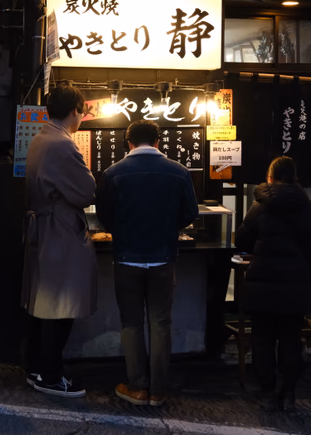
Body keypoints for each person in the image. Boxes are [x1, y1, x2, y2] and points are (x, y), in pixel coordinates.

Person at [95, 119, 198, 407]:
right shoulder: (179, 172)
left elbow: (104, 215)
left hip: (127, 258)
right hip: (164, 258)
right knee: (161, 323)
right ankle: (159, 390)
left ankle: (138, 387)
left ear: (128, 143)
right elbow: (190, 213)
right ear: (157, 142)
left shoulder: (113, 173)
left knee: (131, 324)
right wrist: (167, 229)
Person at [22, 83, 96, 399]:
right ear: (74, 111)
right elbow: (86, 191)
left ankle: (37, 368)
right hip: (61, 230)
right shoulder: (64, 145)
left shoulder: (42, 137)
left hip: (44, 228)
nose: (83, 118)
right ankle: (51, 376)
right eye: (83, 112)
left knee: (46, 303)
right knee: (61, 305)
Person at [235, 156, 311, 412]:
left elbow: (242, 241)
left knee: (263, 340)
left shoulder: (259, 207)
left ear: (269, 178)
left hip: (263, 284)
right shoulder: (309, 207)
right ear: (295, 177)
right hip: (296, 283)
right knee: (292, 340)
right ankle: (290, 392)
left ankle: (267, 393)